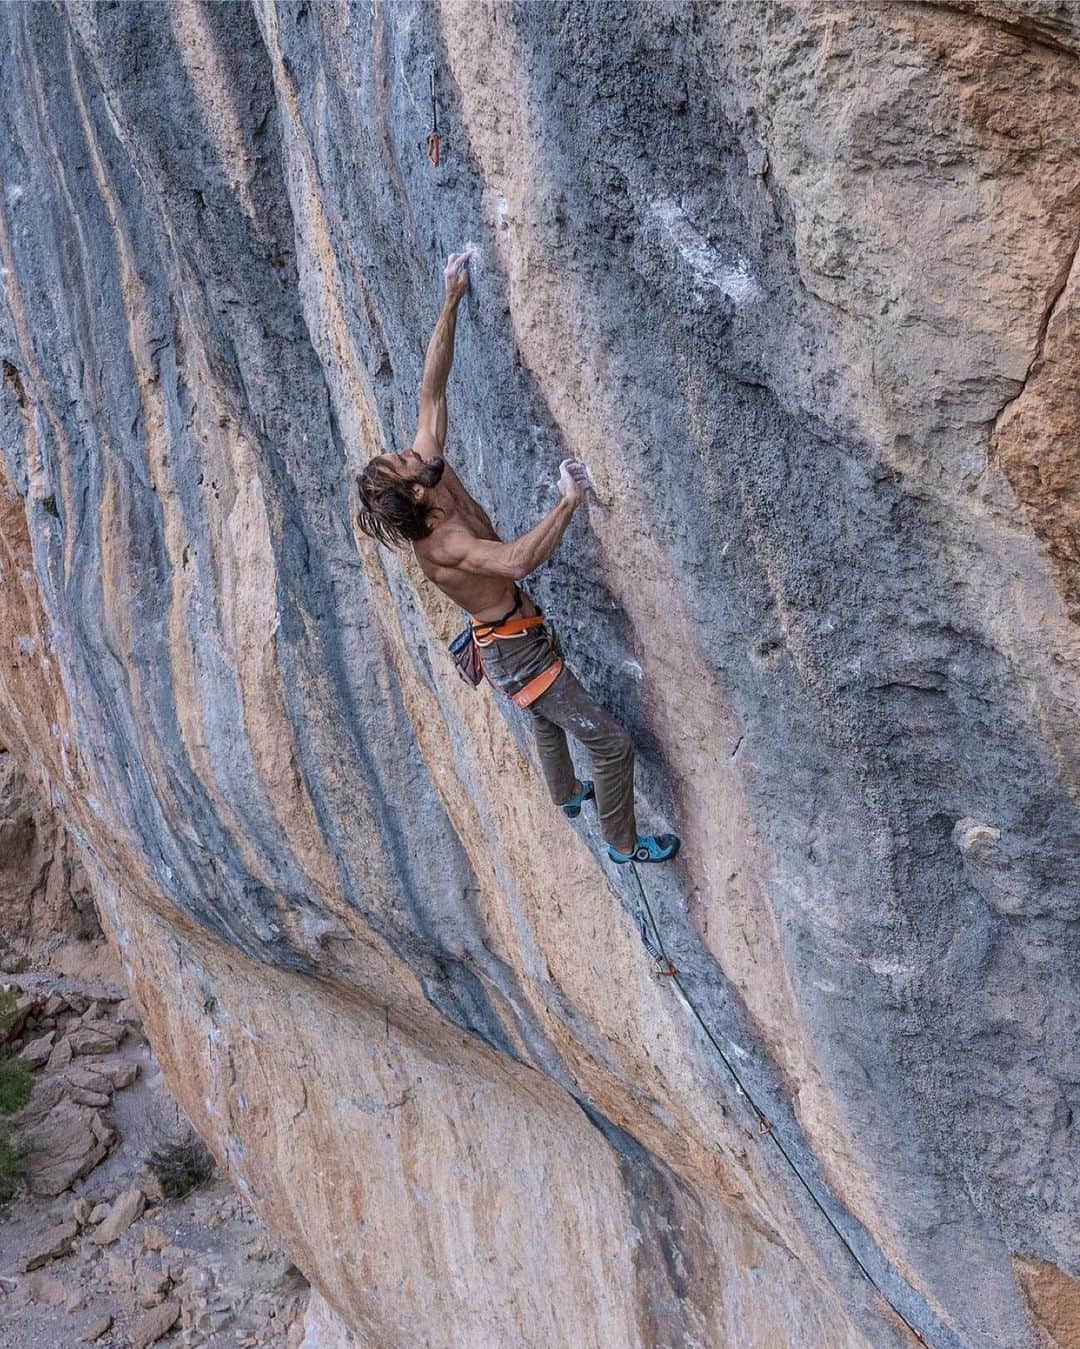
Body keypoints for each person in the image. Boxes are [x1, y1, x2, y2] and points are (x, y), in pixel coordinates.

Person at [356, 250, 679, 865]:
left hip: (503, 637)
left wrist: (451, 297)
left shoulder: (430, 474)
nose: (408, 448)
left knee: (545, 715)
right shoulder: (443, 543)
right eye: (402, 460)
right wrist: (567, 503)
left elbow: (431, 392)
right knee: (610, 744)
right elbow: (514, 563)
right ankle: (622, 844)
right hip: (514, 651)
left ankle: (563, 793)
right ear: (416, 492)